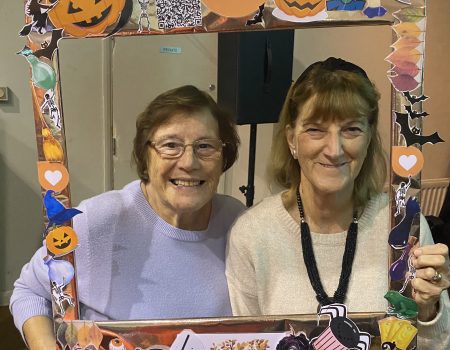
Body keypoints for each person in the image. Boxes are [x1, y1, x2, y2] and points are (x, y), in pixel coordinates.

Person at [226, 58, 450, 348]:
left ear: (369, 137)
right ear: (292, 138)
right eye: (315, 130)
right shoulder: (252, 234)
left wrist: (428, 310)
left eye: (352, 129)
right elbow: (250, 343)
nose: (334, 149)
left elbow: (438, 343)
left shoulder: (403, 225)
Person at [11, 85, 245, 349]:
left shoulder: (239, 223)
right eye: (170, 145)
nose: (189, 162)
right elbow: (31, 291)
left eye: (205, 146)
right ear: (145, 156)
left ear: (224, 156)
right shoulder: (96, 220)